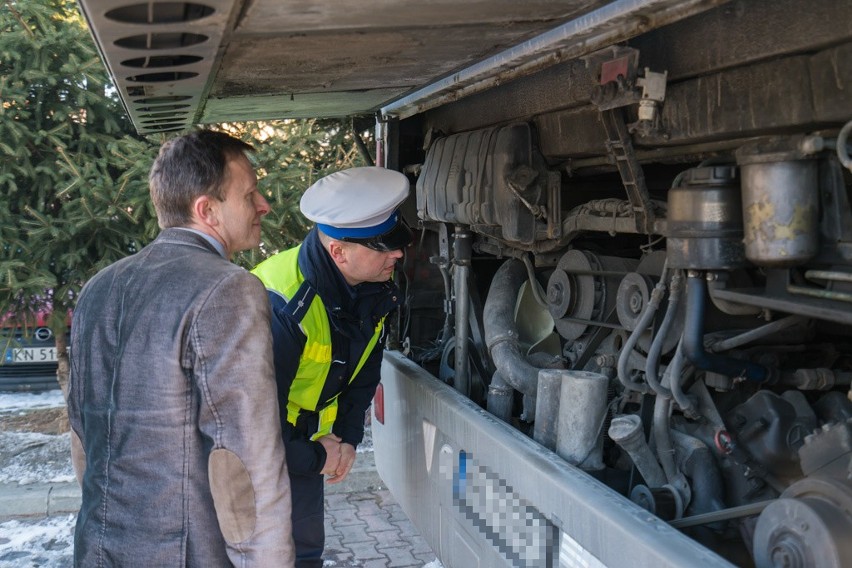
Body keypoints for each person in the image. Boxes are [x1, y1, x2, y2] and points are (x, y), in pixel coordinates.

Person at [67, 130, 295, 567]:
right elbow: (246, 456)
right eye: (249, 194)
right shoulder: (228, 289)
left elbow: (82, 437)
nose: (263, 204)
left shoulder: (98, 287)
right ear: (207, 210)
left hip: (97, 548)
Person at [252, 166, 412, 567]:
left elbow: (363, 374)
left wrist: (346, 441)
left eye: (396, 241)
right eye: (382, 246)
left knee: (304, 555)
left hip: (304, 444)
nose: (398, 254)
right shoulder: (283, 308)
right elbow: (252, 428)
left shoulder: (374, 289)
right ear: (339, 252)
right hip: (261, 454)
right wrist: (320, 457)